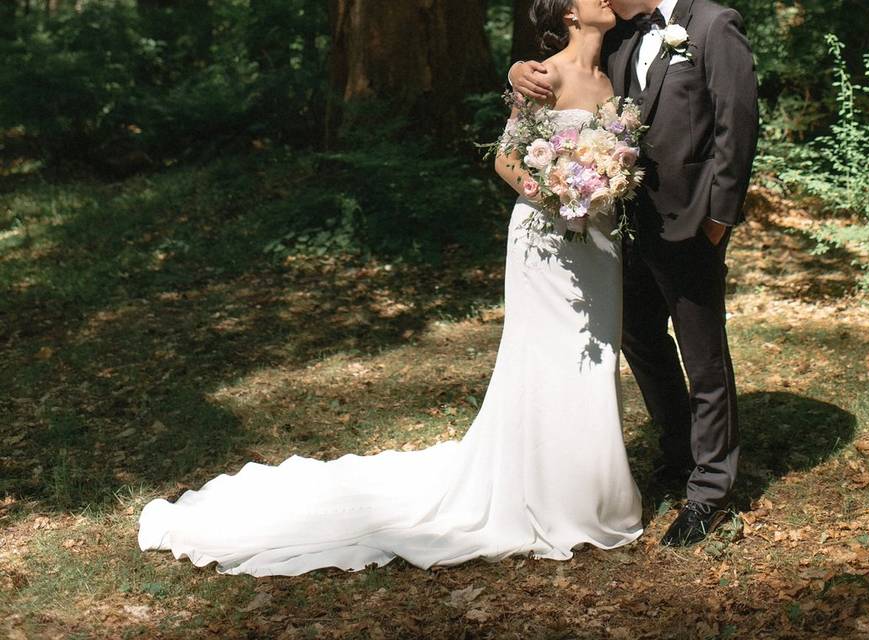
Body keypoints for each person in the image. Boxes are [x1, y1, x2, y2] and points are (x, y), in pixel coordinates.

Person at [137, 0, 646, 577]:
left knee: (595, 356)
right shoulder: (543, 74)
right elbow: (506, 159)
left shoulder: (615, 76)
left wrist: (604, 186)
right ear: (569, 14)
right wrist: (554, 192)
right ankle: (543, 493)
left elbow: (622, 153)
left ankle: (592, 488)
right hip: (544, 236)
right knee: (542, 356)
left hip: (601, 241)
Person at [509, 0, 759, 546]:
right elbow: (566, 66)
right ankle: (678, 455)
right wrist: (515, 70)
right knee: (640, 341)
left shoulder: (714, 25)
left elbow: (736, 124)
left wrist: (718, 219)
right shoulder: (620, 37)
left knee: (704, 356)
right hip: (623, 226)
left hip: (693, 223)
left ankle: (711, 492)